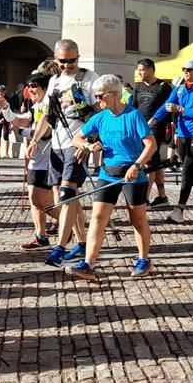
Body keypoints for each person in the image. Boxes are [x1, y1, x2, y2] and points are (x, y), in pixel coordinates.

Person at [65, 75, 159, 281]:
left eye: (100, 96)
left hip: (133, 175)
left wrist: (137, 165)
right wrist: (88, 146)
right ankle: (88, 263)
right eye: (96, 96)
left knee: (137, 218)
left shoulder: (133, 116)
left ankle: (144, 259)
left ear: (114, 95)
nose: (97, 100)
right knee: (98, 218)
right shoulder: (100, 117)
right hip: (108, 173)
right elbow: (76, 138)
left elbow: (151, 144)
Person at [29, 39, 98, 267]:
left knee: (68, 194)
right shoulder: (54, 81)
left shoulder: (89, 78)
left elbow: (99, 113)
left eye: (72, 60)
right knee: (66, 197)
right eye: (63, 61)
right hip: (57, 144)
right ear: (55, 59)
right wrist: (35, 140)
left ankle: (59, 247)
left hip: (77, 143)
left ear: (78, 57)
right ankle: (81, 241)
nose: (67, 65)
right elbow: (48, 116)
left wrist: (88, 141)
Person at [150, 60, 193, 224]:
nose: (185, 71)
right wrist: (152, 120)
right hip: (182, 133)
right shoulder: (179, 90)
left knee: (187, 168)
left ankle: (179, 209)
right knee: (191, 169)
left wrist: (180, 109)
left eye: (189, 69)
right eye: (184, 69)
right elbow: (166, 106)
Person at [10, 72, 59, 252]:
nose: (31, 91)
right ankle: (41, 237)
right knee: (33, 200)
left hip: (46, 159)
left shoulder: (48, 107)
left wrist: (22, 132)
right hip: (35, 160)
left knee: (40, 200)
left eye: (35, 88)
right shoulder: (36, 106)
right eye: (29, 88)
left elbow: (45, 133)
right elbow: (22, 120)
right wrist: (7, 112)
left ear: (45, 89)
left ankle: (70, 222)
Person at [132, 59, 173, 207]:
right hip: (139, 128)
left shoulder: (163, 87)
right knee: (155, 163)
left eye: (142, 69)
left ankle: (145, 198)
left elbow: (168, 108)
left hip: (156, 128)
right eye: (139, 69)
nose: (140, 72)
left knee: (149, 162)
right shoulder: (138, 87)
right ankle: (162, 197)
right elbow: (133, 107)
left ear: (150, 70)